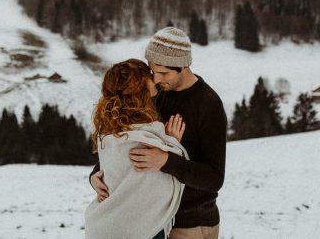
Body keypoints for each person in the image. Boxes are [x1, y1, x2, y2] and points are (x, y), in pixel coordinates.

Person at [91, 27, 228, 239]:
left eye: (163, 72)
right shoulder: (157, 94)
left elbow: (214, 178)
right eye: (153, 72)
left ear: (183, 66)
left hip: (189, 224)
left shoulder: (207, 105)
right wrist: (96, 175)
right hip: (153, 222)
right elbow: (135, 142)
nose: (156, 79)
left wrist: (166, 160)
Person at [85, 59, 188, 239]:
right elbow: (160, 183)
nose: (155, 78)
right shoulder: (147, 135)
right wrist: (172, 144)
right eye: (148, 75)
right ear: (138, 87)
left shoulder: (111, 131)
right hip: (138, 230)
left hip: (104, 227)